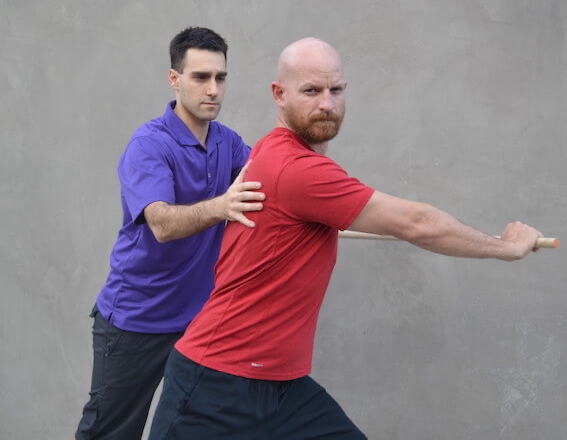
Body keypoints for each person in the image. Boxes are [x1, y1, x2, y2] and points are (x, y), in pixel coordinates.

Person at [148, 37, 543, 440]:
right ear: (279, 94)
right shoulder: (297, 168)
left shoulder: (278, 154)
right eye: (311, 91)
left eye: (335, 90)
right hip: (214, 384)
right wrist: (506, 247)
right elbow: (416, 222)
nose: (327, 104)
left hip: (283, 388)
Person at [74, 27, 265, 440]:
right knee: (109, 434)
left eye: (221, 77)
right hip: (135, 323)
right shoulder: (149, 145)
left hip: (198, 323)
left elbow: (274, 183)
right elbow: (161, 224)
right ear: (175, 79)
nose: (213, 89)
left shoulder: (226, 142)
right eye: (200, 77)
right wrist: (223, 206)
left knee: (197, 430)